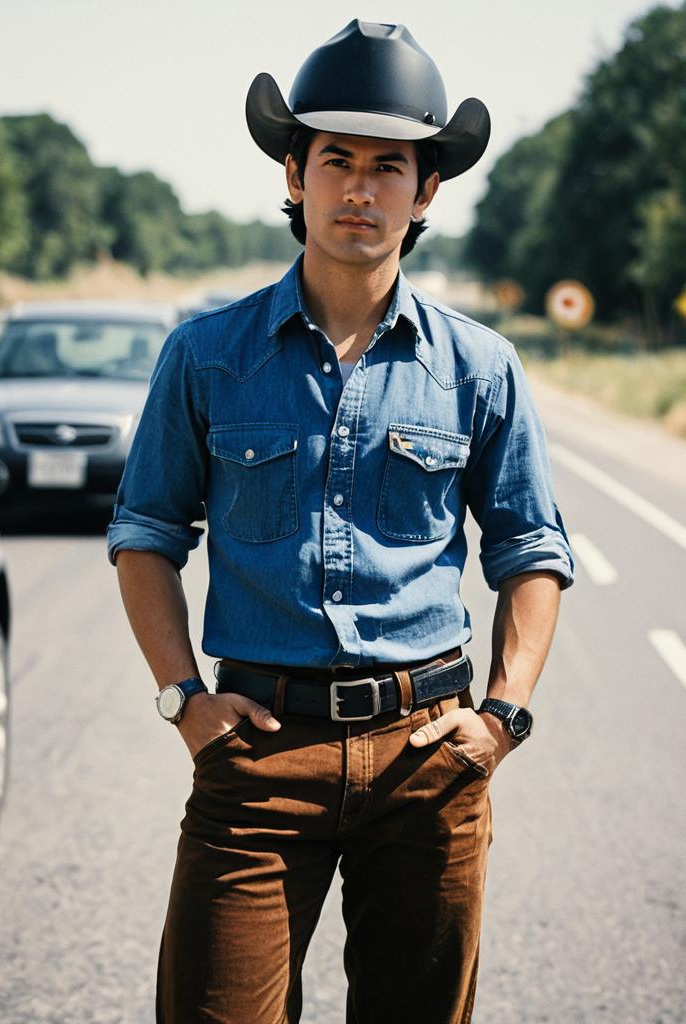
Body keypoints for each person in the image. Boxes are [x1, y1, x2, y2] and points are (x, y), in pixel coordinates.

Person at [107, 19, 574, 1024]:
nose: (361, 189)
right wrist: (183, 699)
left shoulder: (480, 367)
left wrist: (501, 718)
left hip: (428, 757)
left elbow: (531, 550)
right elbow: (144, 534)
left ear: (426, 190)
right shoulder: (206, 355)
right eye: (338, 161)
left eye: (389, 166)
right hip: (258, 756)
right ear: (295, 174)